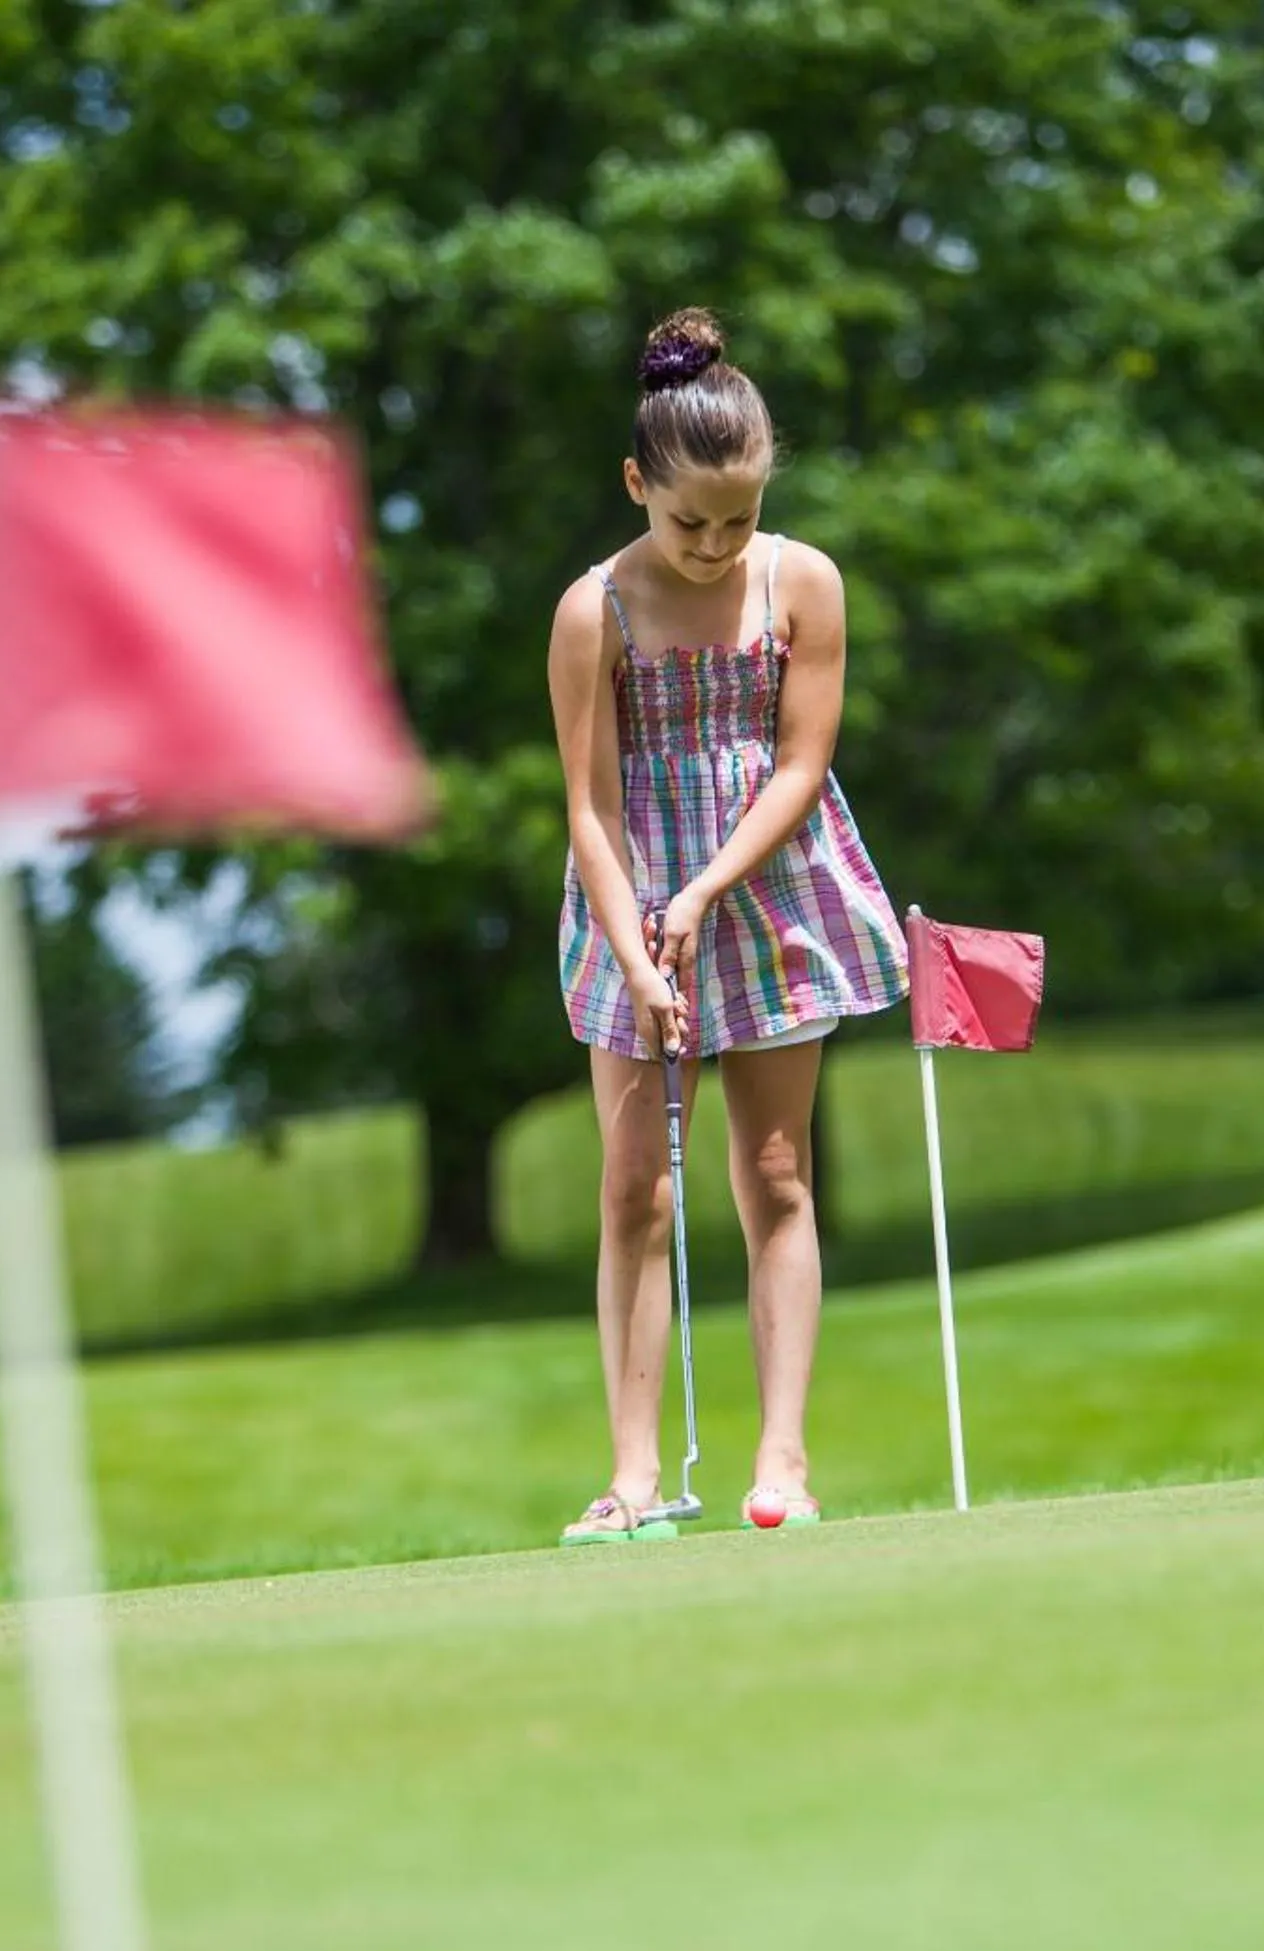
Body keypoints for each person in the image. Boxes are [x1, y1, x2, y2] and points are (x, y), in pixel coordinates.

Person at [547, 306, 907, 1543]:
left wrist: (707, 894)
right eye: (686, 517)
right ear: (637, 482)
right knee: (634, 1190)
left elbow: (803, 767)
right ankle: (635, 1478)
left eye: (737, 519)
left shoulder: (802, 581)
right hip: (631, 895)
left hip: (769, 882)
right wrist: (640, 932)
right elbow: (591, 808)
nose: (711, 543)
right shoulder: (593, 608)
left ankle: (783, 1465)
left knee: (774, 1173)